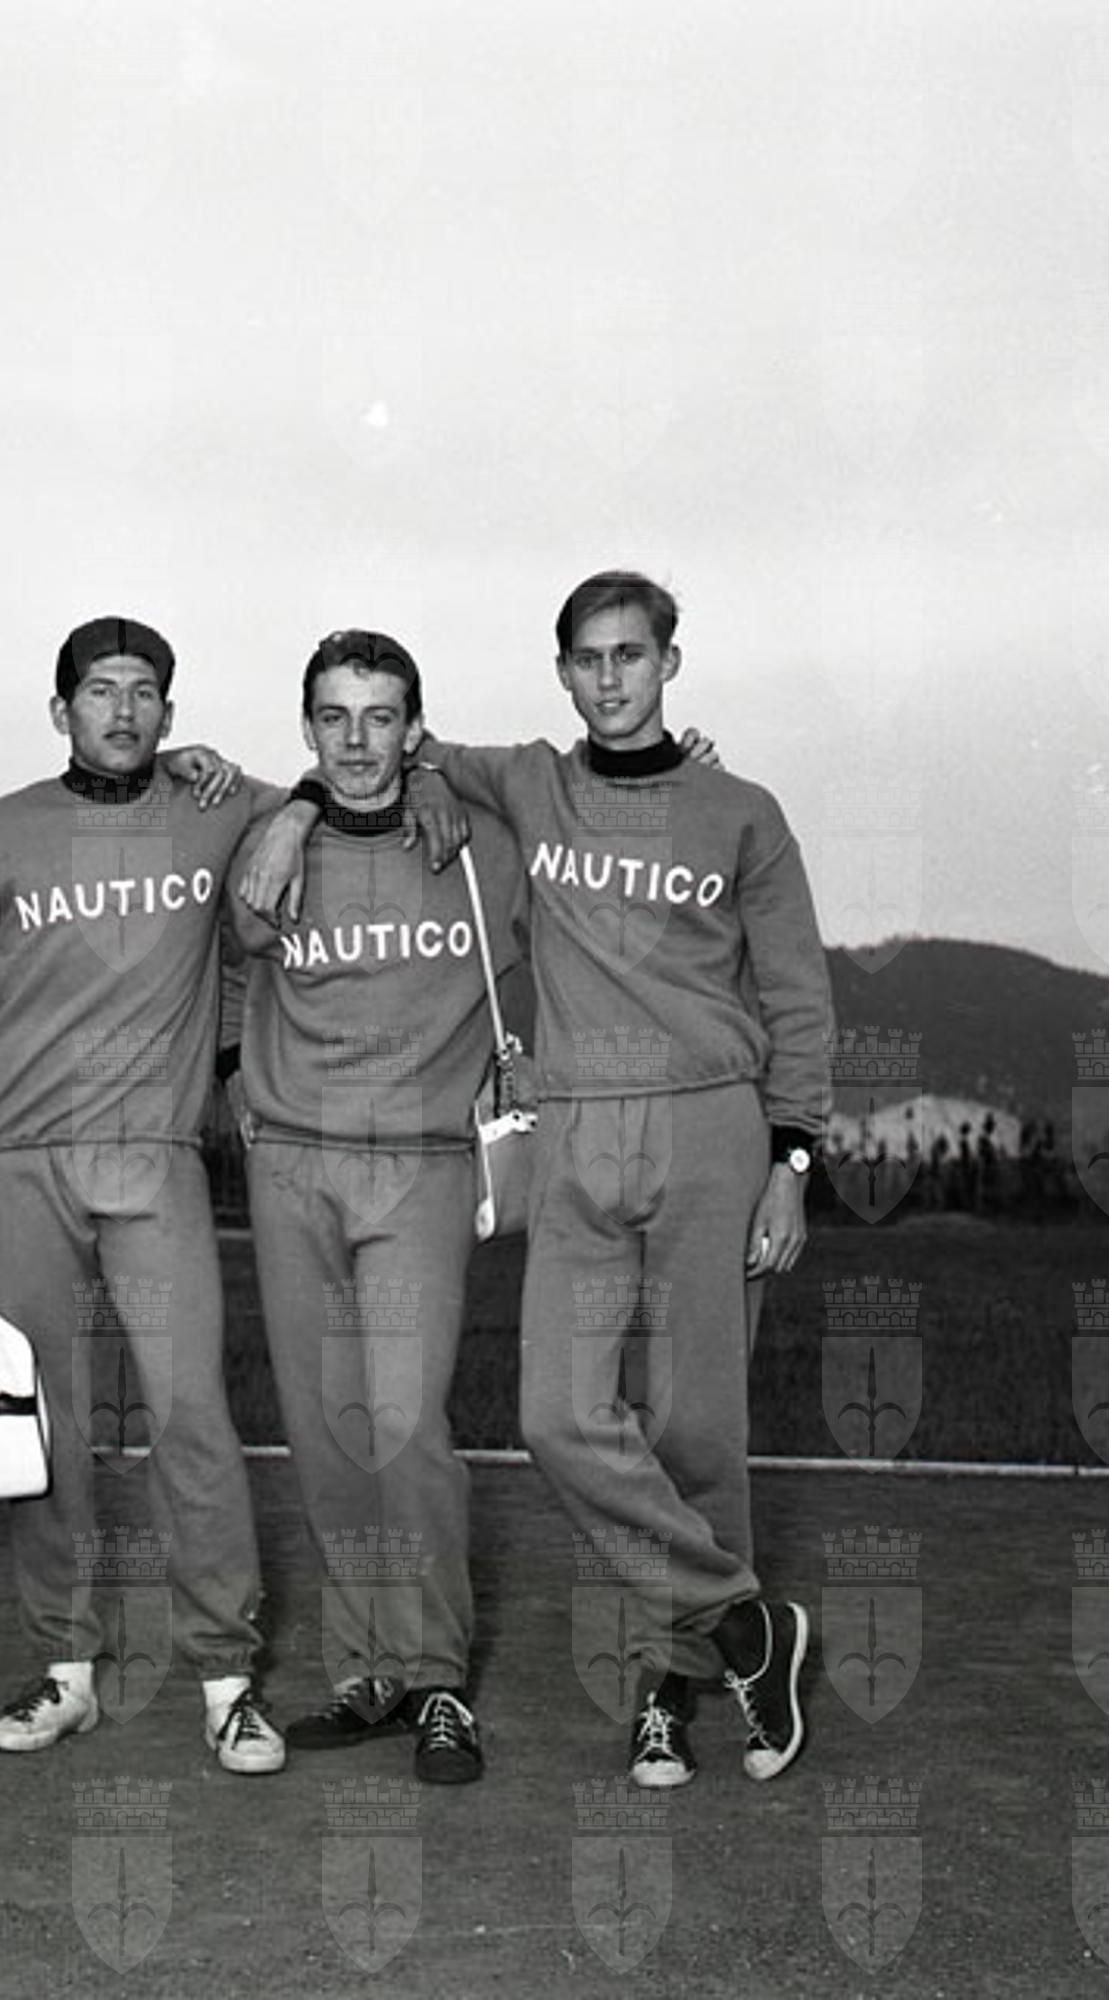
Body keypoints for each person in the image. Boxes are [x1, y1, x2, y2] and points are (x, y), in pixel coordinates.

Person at [244, 573, 830, 1791]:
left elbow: (797, 996)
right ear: (561, 672)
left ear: (670, 661)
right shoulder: (528, 784)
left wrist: (792, 1160)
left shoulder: (741, 810)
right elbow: (397, 754)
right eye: (588, 658)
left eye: (632, 654)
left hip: (712, 1124)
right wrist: (300, 806)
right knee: (560, 1417)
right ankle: (743, 1622)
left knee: (697, 1426)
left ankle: (671, 1687)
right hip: (576, 1128)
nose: (610, 678)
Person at [0, 614, 462, 1777]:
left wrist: (312, 803)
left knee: (191, 1414)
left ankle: (225, 1678)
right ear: (60, 709)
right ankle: (66, 1668)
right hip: (15, 1158)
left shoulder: (217, 805)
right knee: (44, 1423)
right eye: (99, 690)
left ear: (170, 710)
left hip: (153, 1156)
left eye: (144, 692)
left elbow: (346, 781)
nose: (122, 710)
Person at [224, 630, 527, 1785]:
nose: (357, 740)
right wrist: (233, 1077)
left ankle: (440, 1674)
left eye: (381, 716)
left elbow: (583, 860)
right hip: (292, 1164)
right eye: (334, 717)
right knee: (326, 1425)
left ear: (416, 728)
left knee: (405, 1422)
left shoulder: (479, 846)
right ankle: (366, 1665)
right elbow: (222, 960)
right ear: (306, 728)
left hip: (419, 1164)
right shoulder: (268, 840)